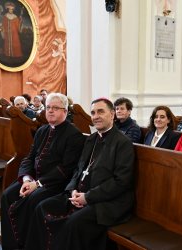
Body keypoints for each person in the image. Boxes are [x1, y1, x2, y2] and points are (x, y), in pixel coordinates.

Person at [24, 97, 135, 250]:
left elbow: (121, 182)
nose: (96, 116)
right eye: (93, 112)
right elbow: (78, 169)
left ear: (112, 114)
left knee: (72, 224)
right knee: (42, 207)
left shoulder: (123, 143)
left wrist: (87, 197)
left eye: (100, 112)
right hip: (80, 194)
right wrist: (72, 189)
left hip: (107, 202)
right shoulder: (91, 139)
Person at [0, 93, 86, 250]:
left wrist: (38, 184)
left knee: (32, 200)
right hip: (33, 180)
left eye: (55, 108)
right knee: (7, 195)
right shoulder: (42, 130)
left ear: (65, 112)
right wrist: (26, 179)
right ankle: (11, 245)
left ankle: (26, 244)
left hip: (56, 184)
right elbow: (29, 158)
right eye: (48, 108)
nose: (50, 111)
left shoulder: (74, 135)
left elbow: (65, 169)